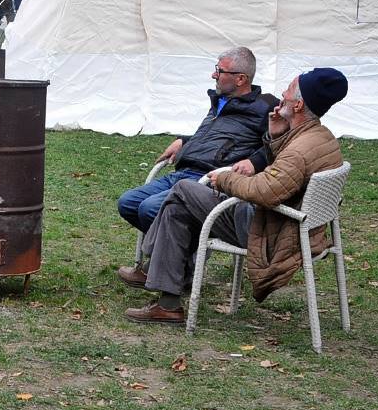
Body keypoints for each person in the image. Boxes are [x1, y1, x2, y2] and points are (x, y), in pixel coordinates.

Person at [125, 68, 348, 324]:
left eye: (287, 91)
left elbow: (264, 191)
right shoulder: (321, 137)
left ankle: (156, 272)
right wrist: (274, 138)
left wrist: (224, 179)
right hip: (291, 227)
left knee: (183, 190)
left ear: (298, 104)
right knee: (178, 207)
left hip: (267, 234)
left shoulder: (299, 150)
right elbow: (284, 178)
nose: (282, 96)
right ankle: (168, 303)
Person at [116, 47, 275, 288]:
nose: (214, 75)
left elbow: (280, 145)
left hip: (207, 180)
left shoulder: (265, 109)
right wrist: (185, 140)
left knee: (150, 209)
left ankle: (171, 269)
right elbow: (216, 136)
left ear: (241, 78)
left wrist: (255, 161)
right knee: (128, 203)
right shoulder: (220, 101)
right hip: (182, 171)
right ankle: (178, 263)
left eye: (219, 71)